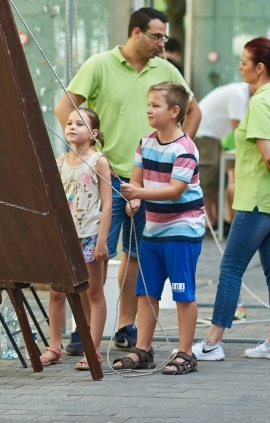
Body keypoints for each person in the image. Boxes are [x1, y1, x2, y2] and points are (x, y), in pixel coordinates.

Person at [54, 7, 201, 355]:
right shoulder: (98, 65)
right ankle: (83, 330)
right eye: (156, 36)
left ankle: (125, 326)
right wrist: (88, 152)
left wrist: (177, 153)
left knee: (136, 256)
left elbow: (193, 111)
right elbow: (64, 109)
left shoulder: (166, 69)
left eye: (164, 36)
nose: (162, 42)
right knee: (94, 257)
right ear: (136, 32)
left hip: (149, 184)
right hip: (105, 176)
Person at [192, 37, 270, 362]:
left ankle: (212, 343)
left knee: (231, 268)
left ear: (259, 68)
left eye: (244, 62)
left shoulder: (260, 102)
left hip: (258, 200)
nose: (240, 66)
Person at [112, 82, 205, 375]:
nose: (149, 110)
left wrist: (139, 194)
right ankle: (143, 349)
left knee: (181, 291)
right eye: (148, 104)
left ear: (174, 111)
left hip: (182, 232)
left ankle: (186, 353)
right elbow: (137, 180)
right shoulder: (145, 143)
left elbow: (175, 190)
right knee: (147, 291)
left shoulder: (185, 149)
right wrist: (135, 201)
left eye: (156, 105)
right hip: (152, 231)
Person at [40, 109, 111, 371]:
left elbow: (107, 205)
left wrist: (102, 240)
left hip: (90, 236)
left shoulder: (98, 162)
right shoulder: (59, 162)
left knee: (93, 293)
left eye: (80, 124)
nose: (72, 127)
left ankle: (93, 349)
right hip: (64, 238)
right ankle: (54, 347)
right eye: (70, 123)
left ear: (93, 133)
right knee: (57, 292)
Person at [194, 82, 252, 229]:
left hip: (213, 136)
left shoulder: (241, 92)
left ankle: (219, 222)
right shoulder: (238, 94)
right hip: (205, 134)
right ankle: (210, 223)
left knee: (217, 180)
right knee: (208, 180)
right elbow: (237, 128)